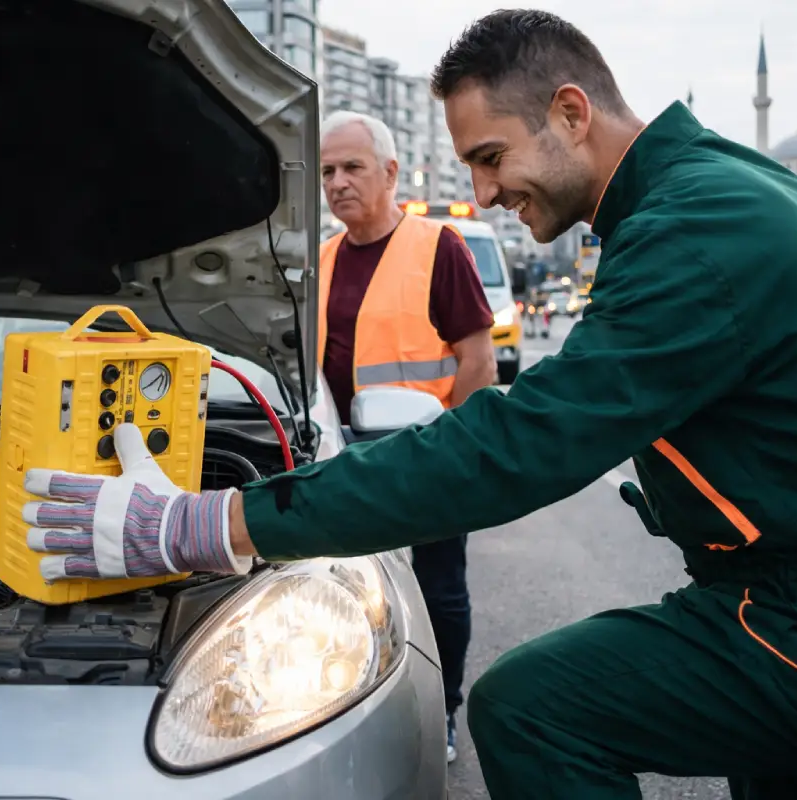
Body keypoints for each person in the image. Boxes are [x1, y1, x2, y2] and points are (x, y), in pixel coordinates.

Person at [20, 9, 797, 799]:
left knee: (535, 708)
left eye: (490, 158)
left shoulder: (693, 233)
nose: (483, 193)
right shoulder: (726, 192)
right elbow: (577, 399)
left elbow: (522, 443)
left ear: (570, 112)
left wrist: (211, 523)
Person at [317, 109, 497, 763]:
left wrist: (465, 450)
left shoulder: (437, 247)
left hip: (429, 458)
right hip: (344, 460)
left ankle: (443, 710)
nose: (337, 182)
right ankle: (345, 720)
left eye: (352, 168)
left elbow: (477, 359)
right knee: (342, 593)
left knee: (439, 588)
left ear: (391, 172)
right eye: (328, 171)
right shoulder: (322, 258)